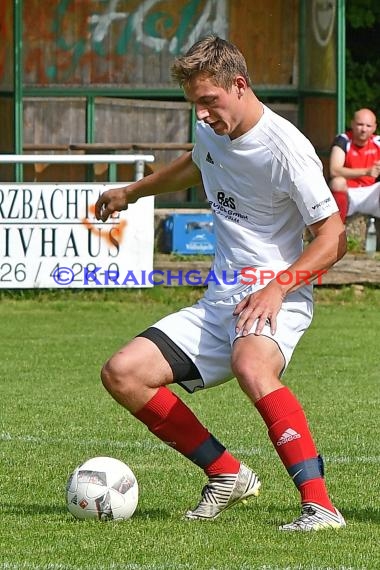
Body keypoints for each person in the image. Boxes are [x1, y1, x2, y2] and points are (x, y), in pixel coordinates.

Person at [95, 35, 347, 531]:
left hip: (276, 295)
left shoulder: (286, 148)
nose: (203, 115)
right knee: (123, 372)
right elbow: (196, 163)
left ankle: (321, 506)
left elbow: (334, 237)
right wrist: (132, 191)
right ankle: (226, 472)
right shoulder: (214, 131)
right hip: (221, 301)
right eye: (195, 105)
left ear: (240, 84)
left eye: (209, 102)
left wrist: (278, 287)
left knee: (251, 363)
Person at [329, 108, 380, 223]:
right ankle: (336, 228)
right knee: (337, 182)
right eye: (360, 124)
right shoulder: (343, 140)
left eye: (368, 126)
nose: (364, 129)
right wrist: (367, 172)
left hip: (371, 195)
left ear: (374, 127)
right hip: (349, 193)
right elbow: (334, 170)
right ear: (352, 124)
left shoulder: (378, 142)